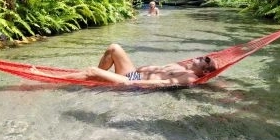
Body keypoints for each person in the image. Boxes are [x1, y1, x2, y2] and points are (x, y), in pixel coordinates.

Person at [31, 44, 218, 86]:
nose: (204, 56)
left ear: (204, 70)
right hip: (133, 74)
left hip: (132, 83)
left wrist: (128, 82)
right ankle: (95, 80)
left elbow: (162, 84)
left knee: (91, 70)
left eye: (206, 59)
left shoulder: (190, 76)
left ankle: (46, 80)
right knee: (114, 48)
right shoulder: (184, 66)